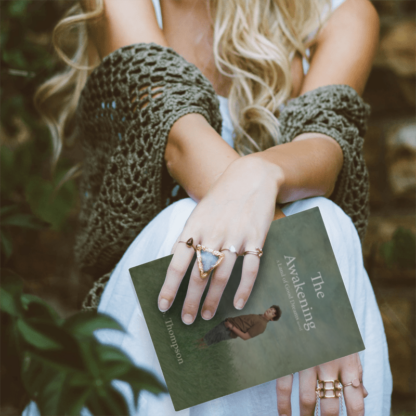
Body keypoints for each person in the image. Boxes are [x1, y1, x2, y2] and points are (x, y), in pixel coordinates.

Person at [25, 0, 392, 415]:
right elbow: (180, 140)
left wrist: (260, 174)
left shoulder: (341, 13)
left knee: (325, 220)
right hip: (156, 308)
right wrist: (310, 301)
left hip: (255, 329)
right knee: (191, 222)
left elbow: (325, 150)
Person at [199, 305, 282, 347]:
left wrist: (231, 327)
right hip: (226, 324)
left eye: (273, 313)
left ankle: (195, 350)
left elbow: (245, 337)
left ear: (272, 319)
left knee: (207, 342)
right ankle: (194, 344)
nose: (270, 311)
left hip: (228, 331)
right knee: (206, 337)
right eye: (271, 309)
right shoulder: (259, 317)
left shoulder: (262, 325)